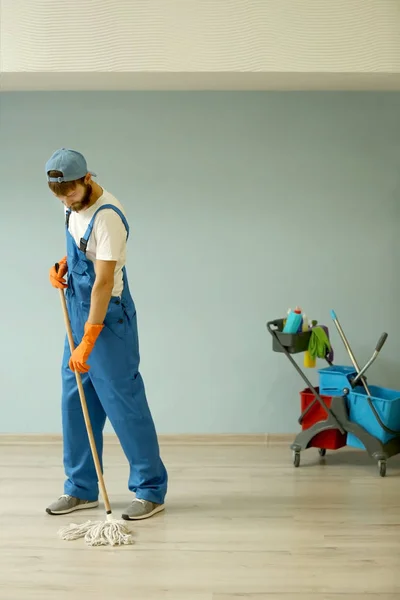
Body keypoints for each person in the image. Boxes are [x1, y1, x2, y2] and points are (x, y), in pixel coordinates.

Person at [45, 148, 168, 520]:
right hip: (78, 309)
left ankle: (150, 490)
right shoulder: (69, 203)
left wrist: (88, 338)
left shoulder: (108, 216)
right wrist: (64, 264)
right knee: (76, 400)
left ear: (87, 179)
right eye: (60, 196)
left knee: (123, 402)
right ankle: (81, 488)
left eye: (71, 193)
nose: (67, 201)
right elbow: (82, 250)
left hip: (108, 318)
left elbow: (102, 283)